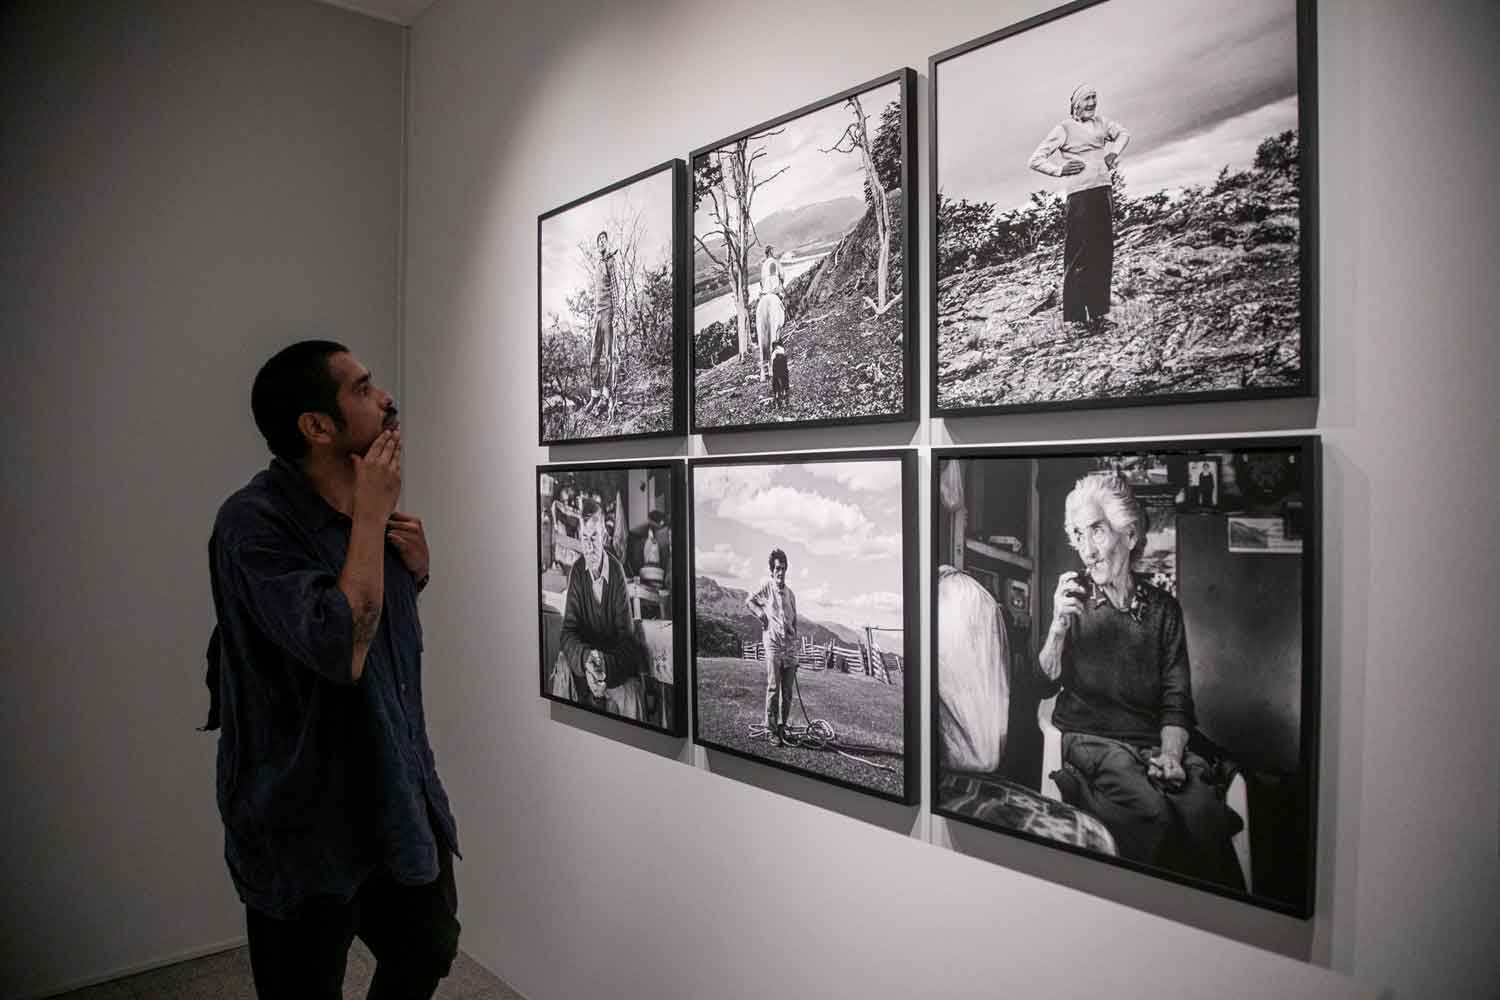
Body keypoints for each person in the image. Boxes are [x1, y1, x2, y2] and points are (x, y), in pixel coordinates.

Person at [206, 340, 460, 998]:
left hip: (394, 790)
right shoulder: (251, 524)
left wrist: (416, 573)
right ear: (317, 427)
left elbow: (383, 644)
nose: (386, 399)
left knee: (429, 946)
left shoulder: (378, 519)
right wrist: (372, 517)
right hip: (303, 820)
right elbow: (341, 648)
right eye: (363, 388)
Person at [1037, 473, 1243, 889]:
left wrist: (1171, 756)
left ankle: (1215, 919)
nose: (1087, 549)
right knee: (1151, 811)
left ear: (1129, 535)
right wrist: (1057, 628)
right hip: (1091, 739)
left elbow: (1176, 702)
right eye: (1078, 535)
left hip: (1151, 742)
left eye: (1097, 531)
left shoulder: (1164, 611)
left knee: (1202, 813)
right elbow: (1044, 682)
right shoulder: (1073, 602)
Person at [1028, 84, 1131, 332]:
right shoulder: (1064, 128)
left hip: (1103, 190)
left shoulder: (1101, 123)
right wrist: (1059, 170)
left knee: (1102, 253)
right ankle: (1076, 320)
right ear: (1076, 104)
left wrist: (1113, 154)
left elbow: (1123, 134)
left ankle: (1098, 314)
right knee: (1078, 255)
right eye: (1087, 98)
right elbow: (1035, 159)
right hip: (1080, 196)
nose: (1092, 103)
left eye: (1095, 97)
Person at [553, 498, 648, 719]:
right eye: (585, 538)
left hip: (610, 669)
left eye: (594, 537)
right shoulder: (577, 572)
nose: (589, 546)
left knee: (633, 693)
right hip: (585, 666)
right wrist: (586, 659)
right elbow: (568, 632)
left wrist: (605, 668)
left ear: (604, 537)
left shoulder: (617, 572)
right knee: (562, 665)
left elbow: (627, 641)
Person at [746, 548, 798, 746]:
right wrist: (760, 614)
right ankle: (771, 730)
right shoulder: (766, 587)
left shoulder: (791, 595)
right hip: (773, 645)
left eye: (783, 568)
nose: (780, 572)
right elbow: (749, 601)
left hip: (790, 648)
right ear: (772, 570)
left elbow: (795, 622)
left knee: (788, 691)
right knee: (774, 688)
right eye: (777, 568)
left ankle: (783, 727)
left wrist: (795, 649)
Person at [585, 230, 618, 414]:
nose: (602, 242)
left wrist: (617, 313)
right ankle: (595, 395)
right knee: (594, 357)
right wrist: (594, 313)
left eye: (604, 239)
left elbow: (615, 289)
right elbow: (597, 291)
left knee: (609, 357)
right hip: (597, 314)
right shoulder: (598, 264)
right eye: (599, 240)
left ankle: (605, 397)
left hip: (608, 312)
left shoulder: (611, 261)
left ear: (607, 243)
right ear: (597, 245)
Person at [754, 244, 786, 382]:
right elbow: (782, 278)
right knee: (775, 334)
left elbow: (761, 283)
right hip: (774, 294)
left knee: (762, 336)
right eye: (773, 250)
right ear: (771, 252)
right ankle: (773, 368)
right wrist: (780, 288)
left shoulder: (763, 266)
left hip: (764, 295)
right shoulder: (776, 263)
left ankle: (763, 371)